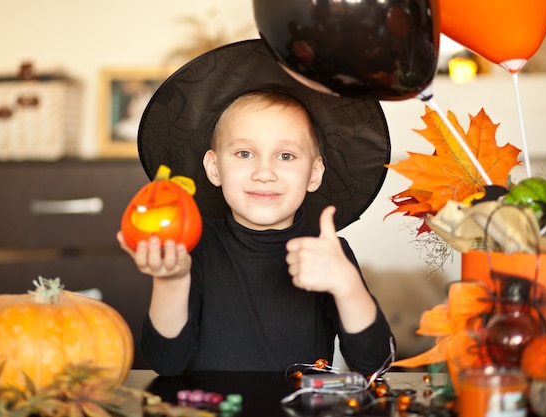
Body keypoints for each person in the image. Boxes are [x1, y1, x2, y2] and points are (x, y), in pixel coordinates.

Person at [117, 39, 394, 377]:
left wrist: (347, 286)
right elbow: (165, 364)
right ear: (214, 167)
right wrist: (172, 280)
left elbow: (376, 366)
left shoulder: (328, 253)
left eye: (286, 156)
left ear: (314, 173)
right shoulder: (196, 248)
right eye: (245, 153)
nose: (264, 173)